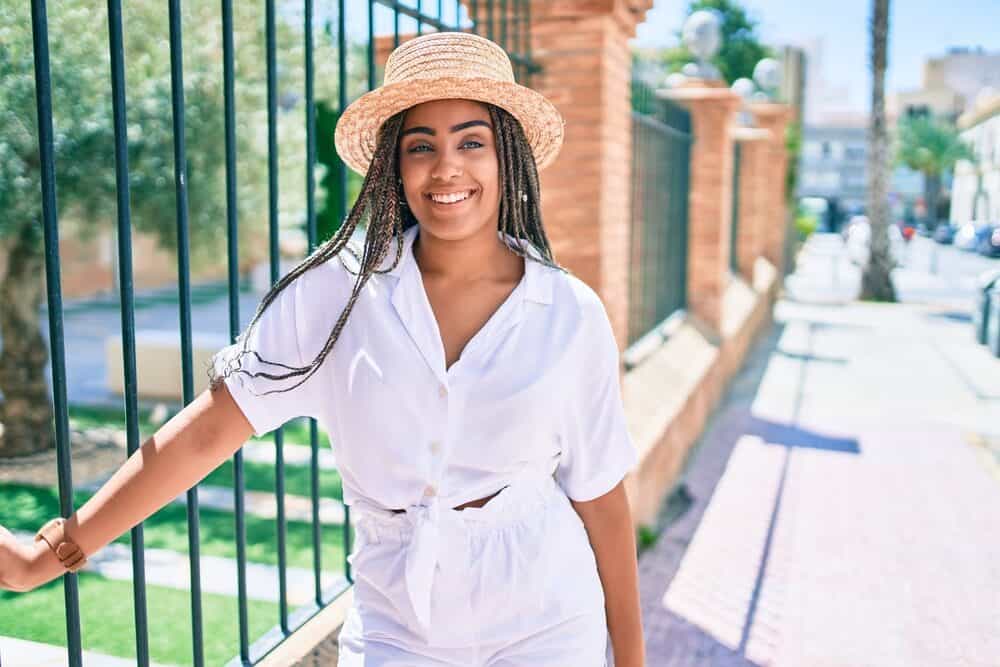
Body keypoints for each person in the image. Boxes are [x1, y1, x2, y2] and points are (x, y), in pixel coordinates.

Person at [0, 32, 645, 666]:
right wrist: (49, 554)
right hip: (398, 630)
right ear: (395, 163)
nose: (446, 168)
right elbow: (206, 434)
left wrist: (633, 660)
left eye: (471, 142)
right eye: (421, 146)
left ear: (507, 157)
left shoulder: (568, 314)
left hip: (548, 623)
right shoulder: (334, 295)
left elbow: (600, 499)